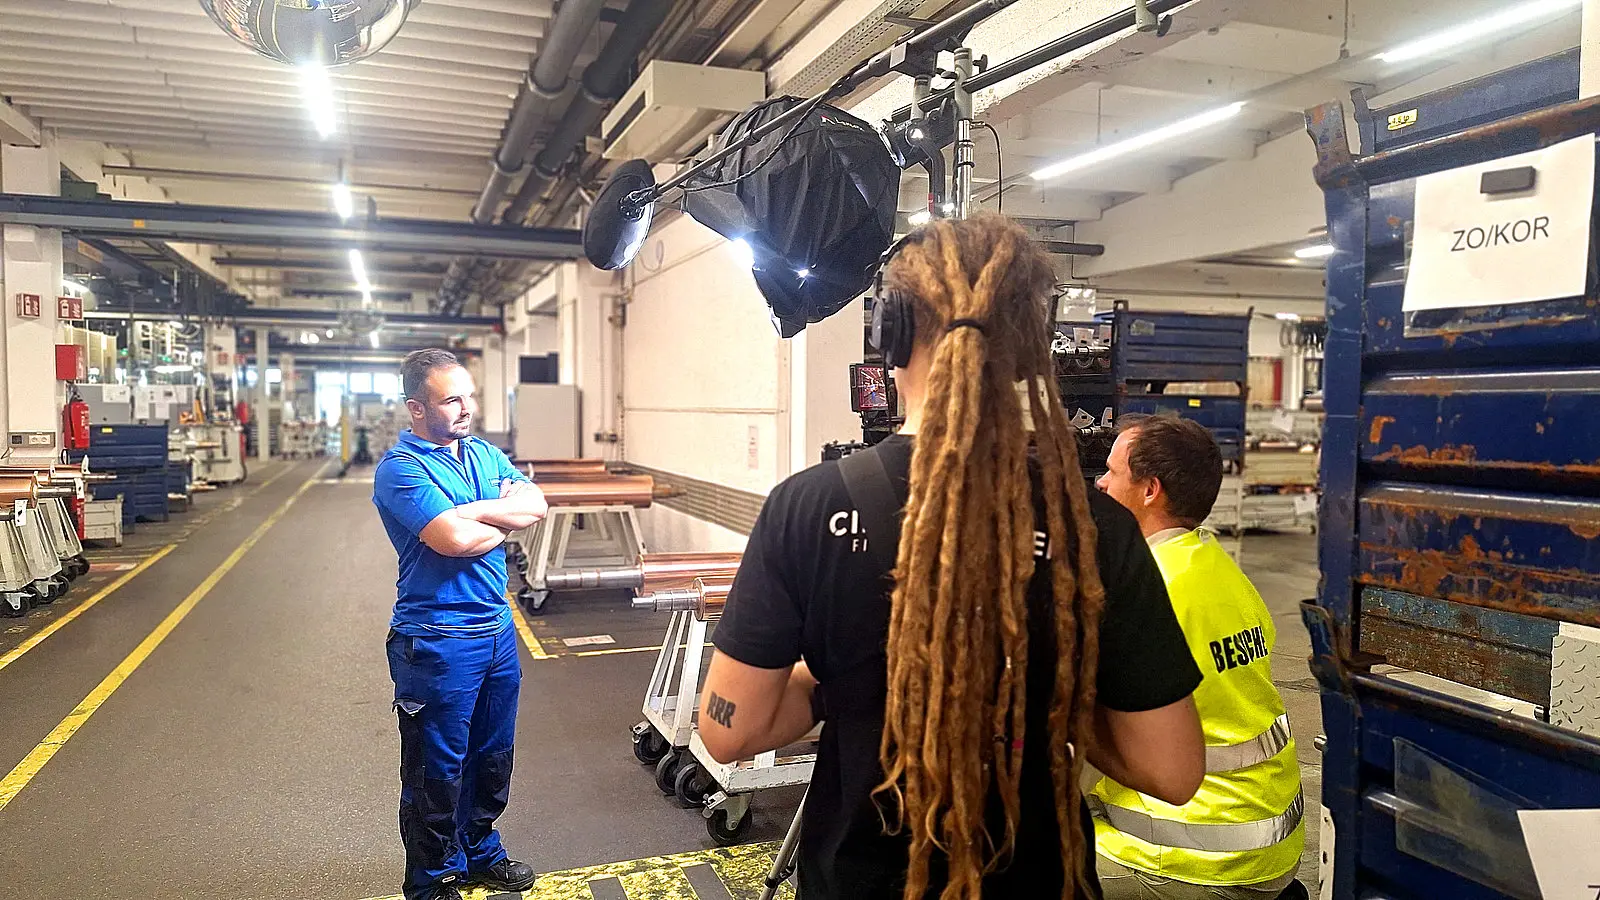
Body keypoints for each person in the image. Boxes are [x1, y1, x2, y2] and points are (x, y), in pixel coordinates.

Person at [697, 213, 1207, 900]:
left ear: (891, 334)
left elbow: (730, 732)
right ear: (1031, 348)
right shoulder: (1095, 527)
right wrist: (1040, 696)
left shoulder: (809, 509)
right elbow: (1173, 770)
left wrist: (842, 683)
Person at [1093, 415, 1306, 900]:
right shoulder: (1219, 571)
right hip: (1269, 842)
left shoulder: (1146, 593)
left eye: (1112, 471)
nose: (1100, 483)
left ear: (1150, 490)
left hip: (1192, 858)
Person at [371, 349, 548, 900]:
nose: (467, 408)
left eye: (469, 396)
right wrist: (501, 518)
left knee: (492, 757)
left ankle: (479, 849)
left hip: (496, 630)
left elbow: (537, 504)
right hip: (437, 639)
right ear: (416, 408)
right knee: (436, 771)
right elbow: (451, 541)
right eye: (452, 400)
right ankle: (433, 877)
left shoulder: (484, 453)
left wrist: (471, 514)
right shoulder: (401, 470)